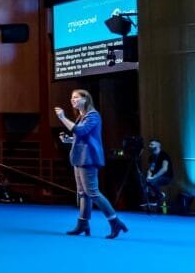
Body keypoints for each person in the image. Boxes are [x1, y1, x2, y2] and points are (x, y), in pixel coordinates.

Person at [54, 89, 128, 239]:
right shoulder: (81, 117)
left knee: (93, 192)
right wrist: (69, 140)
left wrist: (62, 118)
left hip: (88, 159)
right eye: (71, 97)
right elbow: (83, 137)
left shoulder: (93, 115)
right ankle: (83, 223)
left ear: (85, 99)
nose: (72, 100)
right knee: (82, 193)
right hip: (79, 158)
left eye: (76, 97)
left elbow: (81, 132)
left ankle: (115, 222)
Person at [144, 138, 173, 210]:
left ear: (158, 145)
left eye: (152, 144)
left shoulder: (164, 155)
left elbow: (164, 169)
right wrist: (148, 176)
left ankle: (159, 196)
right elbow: (150, 169)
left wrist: (154, 177)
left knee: (154, 182)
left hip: (166, 177)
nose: (150, 146)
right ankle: (153, 199)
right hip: (155, 176)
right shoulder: (151, 157)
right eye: (149, 145)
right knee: (145, 181)